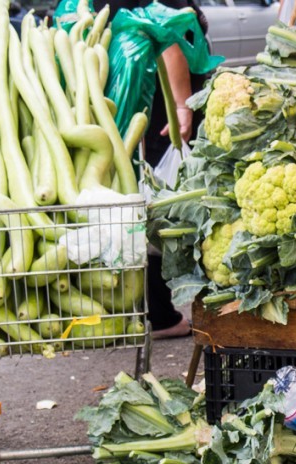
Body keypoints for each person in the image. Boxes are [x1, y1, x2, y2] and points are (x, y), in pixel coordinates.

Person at [105, 0, 211, 339]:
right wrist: (183, 106)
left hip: (147, 116)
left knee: (151, 208)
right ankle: (163, 313)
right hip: (162, 119)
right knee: (163, 212)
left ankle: (154, 311)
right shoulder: (146, 9)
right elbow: (167, 45)